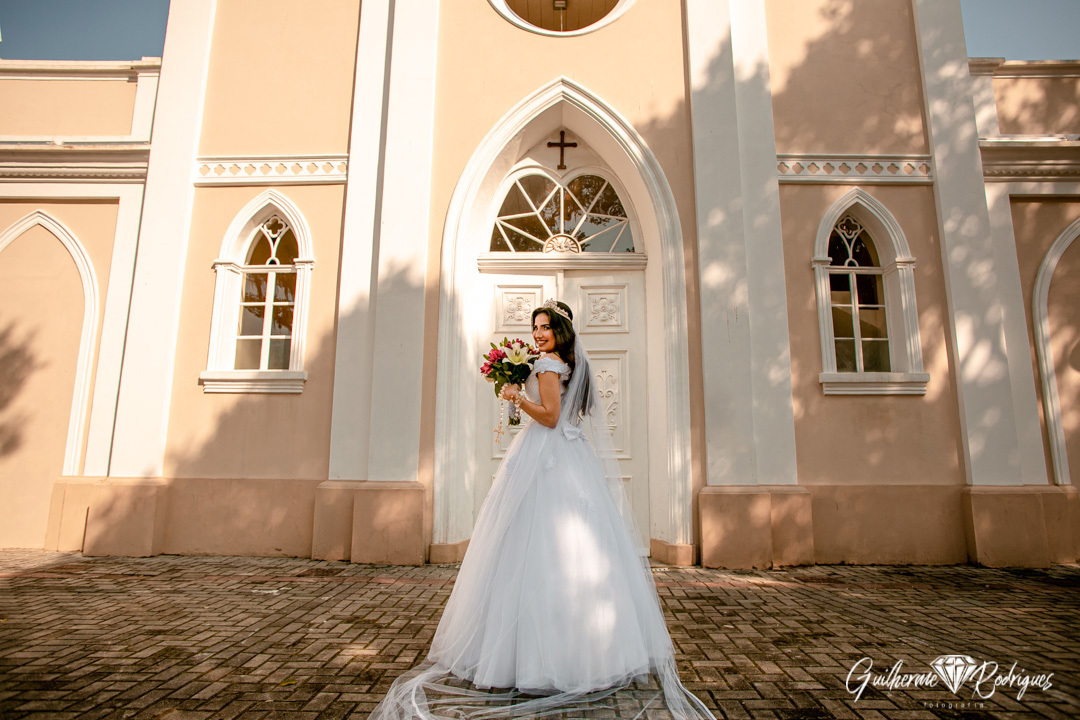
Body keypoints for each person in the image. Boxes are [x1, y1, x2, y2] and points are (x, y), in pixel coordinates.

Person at [369, 299, 715, 720]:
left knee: (539, 548)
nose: (538, 333)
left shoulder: (550, 365)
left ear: (561, 331)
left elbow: (550, 418)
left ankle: (538, 660)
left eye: (546, 327)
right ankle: (585, 654)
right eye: (535, 327)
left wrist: (517, 397)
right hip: (567, 456)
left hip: (548, 453)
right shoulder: (560, 364)